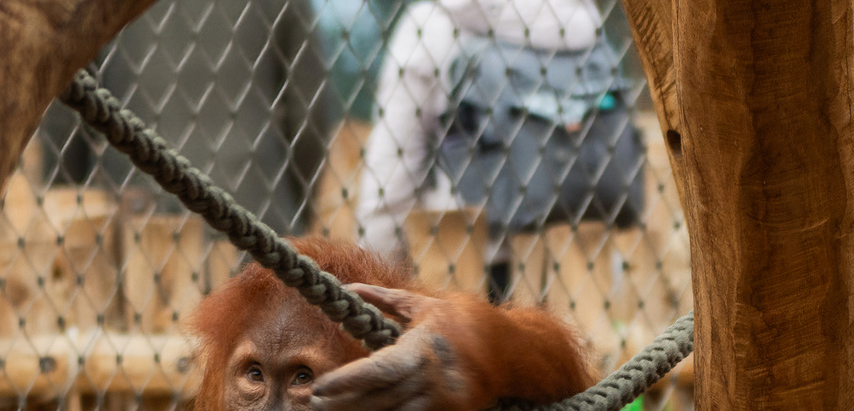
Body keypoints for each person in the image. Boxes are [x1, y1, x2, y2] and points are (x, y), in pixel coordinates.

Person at [356, 0, 640, 295]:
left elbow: (390, 182)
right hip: (578, 272)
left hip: (468, 273)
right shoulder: (581, 18)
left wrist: (373, 287)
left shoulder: (431, 24)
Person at [45, 0, 337, 235]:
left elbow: (63, 102)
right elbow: (309, 108)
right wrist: (296, 206)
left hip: (137, 220)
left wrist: (65, 208)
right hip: (256, 218)